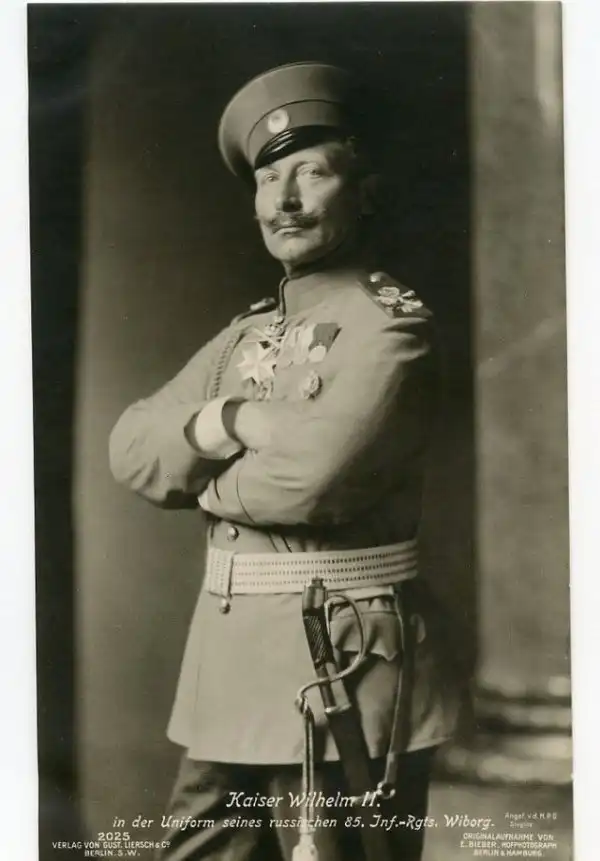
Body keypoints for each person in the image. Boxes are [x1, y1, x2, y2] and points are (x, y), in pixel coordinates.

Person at [109, 61, 464, 861]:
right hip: (229, 670)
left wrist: (205, 478)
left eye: (312, 172)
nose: (285, 200)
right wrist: (229, 417)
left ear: (364, 190)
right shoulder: (247, 335)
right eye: (270, 179)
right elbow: (130, 446)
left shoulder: (389, 328)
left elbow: (310, 483)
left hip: (339, 669)